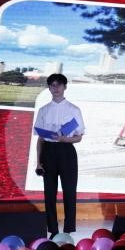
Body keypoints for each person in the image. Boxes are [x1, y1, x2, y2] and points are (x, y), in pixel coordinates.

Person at [34, 73, 85, 237]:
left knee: (69, 191)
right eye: (52, 85)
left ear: (65, 87)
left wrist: (64, 139)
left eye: (59, 85)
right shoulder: (43, 110)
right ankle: (53, 230)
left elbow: (79, 137)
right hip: (48, 151)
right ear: (49, 88)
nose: (55, 88)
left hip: (67, 151)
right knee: (49, 193)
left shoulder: (74, 109)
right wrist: (38, 162)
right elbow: (40, 139)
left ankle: (68, 230)